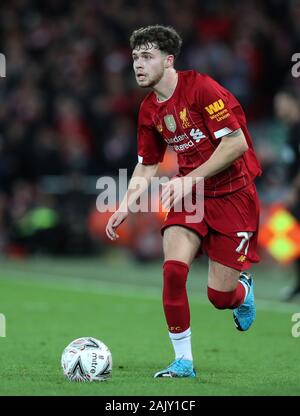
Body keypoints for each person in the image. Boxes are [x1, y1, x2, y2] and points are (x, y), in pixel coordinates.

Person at [106, 25, 262, 378]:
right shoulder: (149, 110)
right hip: (191, 196)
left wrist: (189, 178)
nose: (138, 65)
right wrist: (126, 204)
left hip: (234, 195)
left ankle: (242, 289)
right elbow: (147, 165)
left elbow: (236, 144)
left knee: (219, 297)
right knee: (173, 272)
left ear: (168, 60)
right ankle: (183, 362)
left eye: (147, 57)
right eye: (135, 58)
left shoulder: (202, 89)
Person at [274, 88, 300, 301]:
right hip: (294, 194)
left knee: (286, 233)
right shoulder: (290, 129)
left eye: (281, 103)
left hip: (297, 193)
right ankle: (297, 283)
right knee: (289, 237)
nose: (278, 109)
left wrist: (293, 189)